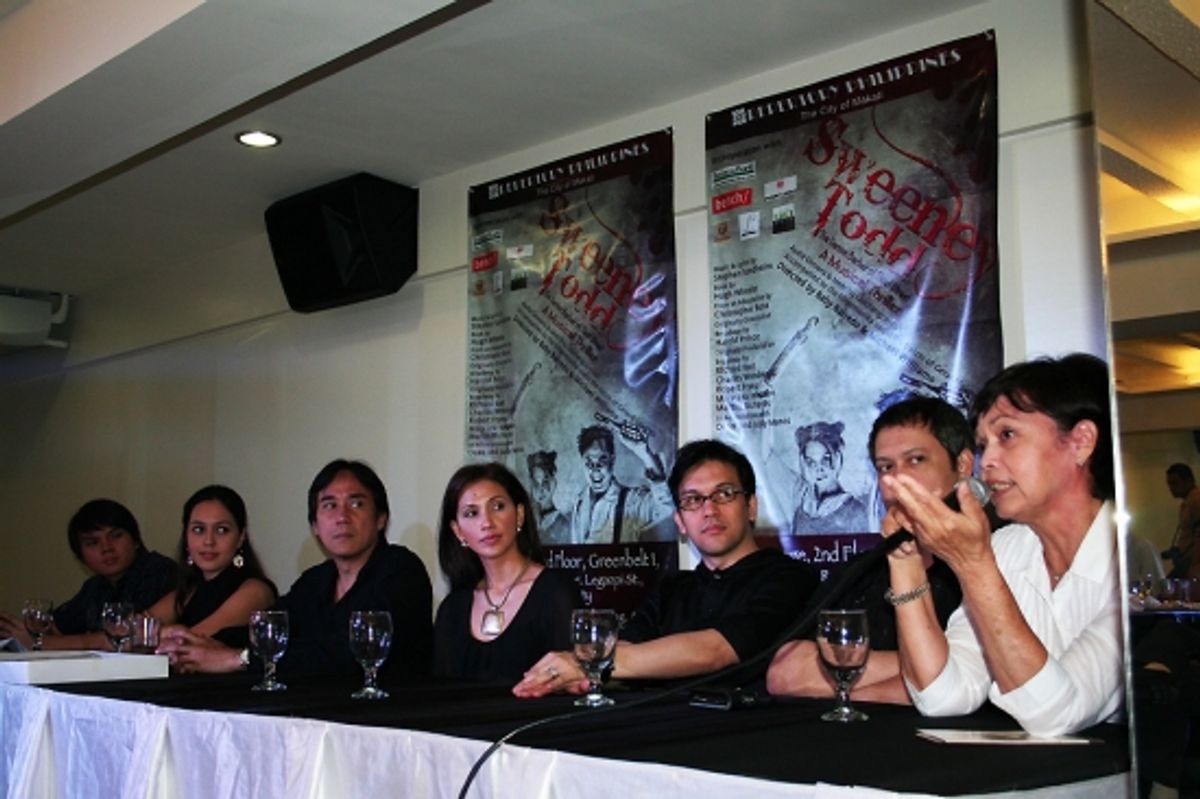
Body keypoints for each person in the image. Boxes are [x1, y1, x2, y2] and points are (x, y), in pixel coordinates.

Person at [882, 353, 1123, 736]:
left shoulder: (1130, 559)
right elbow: (943, 697)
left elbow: (1056, 714)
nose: (987, 461)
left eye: (1007, 435)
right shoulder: (1008, 548)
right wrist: (905, 562)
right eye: (982, 446)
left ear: (1081, 442)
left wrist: (973, 564)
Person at [514, 439, 819, 698]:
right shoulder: (673, 588)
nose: (709, 510)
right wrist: (575, 676)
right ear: (680, 522)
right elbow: (627, 648)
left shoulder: (791, 578)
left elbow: (716, 651)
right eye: (693, 500)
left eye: (724, 494)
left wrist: (591, 662)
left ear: (751, 506)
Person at [767, 397, 977, 704]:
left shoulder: (999, 560)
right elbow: (785, 671)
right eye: (885, 467)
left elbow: (986, 679)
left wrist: (844, 682)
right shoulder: (862, 569)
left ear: (962, 466)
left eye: (916, 460)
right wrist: (925, 672)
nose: (897, 480)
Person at [158, 459, 433, 679]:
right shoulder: (316, 580)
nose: (342, 517)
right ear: (315, 525)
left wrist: (236, 659)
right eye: (329, 506)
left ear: (381, 519)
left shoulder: (401, 570)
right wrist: (193, 645)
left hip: (390, 725)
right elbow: (267, 628)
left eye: (356, 504)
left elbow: (341, 655)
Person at [433, 463, 579, 682]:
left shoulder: (556, 591)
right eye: (472, 513)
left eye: (498, 506)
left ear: (519, 515)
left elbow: (575, 682)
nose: (487, 523)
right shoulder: (452, 609)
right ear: (458, 531)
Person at [0, 498, 175, 650]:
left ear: (136, 540)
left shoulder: (158, 571)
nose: (107, 548)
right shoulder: (95, 587)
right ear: (80, 557)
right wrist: (19, 629)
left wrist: (39, 642)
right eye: (92, 542)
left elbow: (123, 638)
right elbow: (56, 628)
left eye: (116, 536)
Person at [145, 485, 276, 647]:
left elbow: (189, 641)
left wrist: (157, 634)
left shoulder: (256, 590)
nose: (208, 541)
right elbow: (127, 630)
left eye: (221, 530)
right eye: (198, 529)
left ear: (241, 537)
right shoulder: (189, 590)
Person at [567, 423, 675, 543]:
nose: (595, 469)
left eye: (602, 460)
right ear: (582, 461)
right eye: (589, 463)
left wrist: (645, 453)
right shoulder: (579, 503)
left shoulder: (633, 501)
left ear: (612, 461)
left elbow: (667, 511)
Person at [791, 420, 870, 534]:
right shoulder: (801, 514)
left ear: (837, 458)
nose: (819, 469)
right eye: (811, 462)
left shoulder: (856, 512)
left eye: (825, 459)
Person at [1164, 463, 1200, 579]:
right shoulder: (1187, 502)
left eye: (1174, 483)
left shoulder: (1196, 501)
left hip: (1192, 563)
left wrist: (1194, 565)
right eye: (1169, 484)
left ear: (1188, 481)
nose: (1171, 488)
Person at [526, 450, 570, 544]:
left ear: (553, 483)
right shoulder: (528, 521)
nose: (541, 490)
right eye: (536, 483)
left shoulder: (563, 524)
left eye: (545, 482)